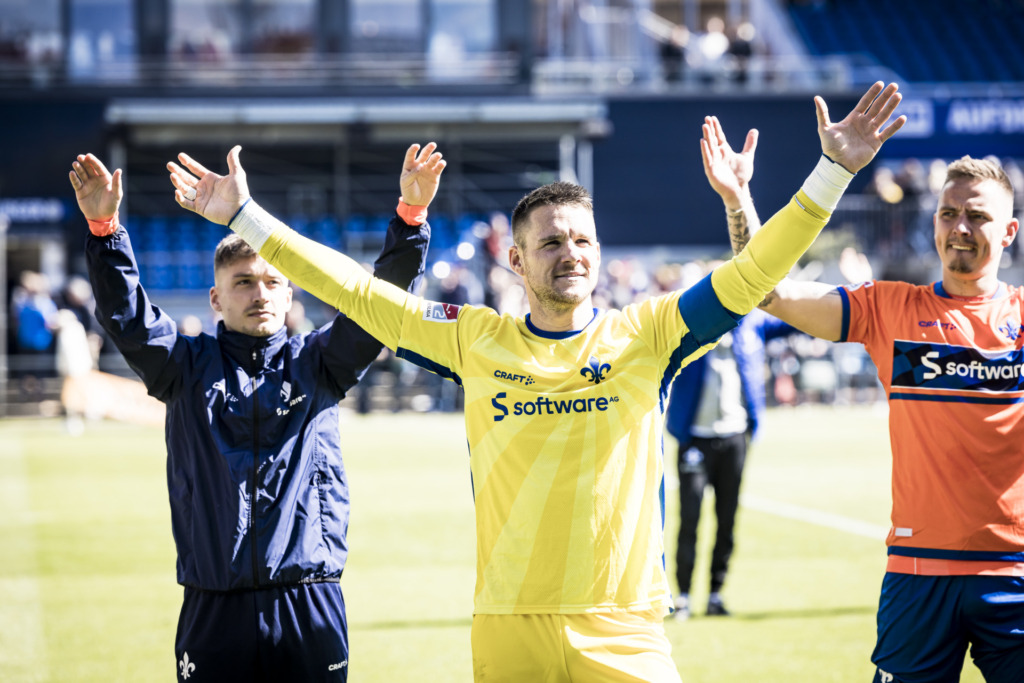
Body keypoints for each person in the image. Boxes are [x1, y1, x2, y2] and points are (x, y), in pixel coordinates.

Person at [166, 82, 904, 682]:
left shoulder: (648, 333)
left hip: (625, 626)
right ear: (515, 261)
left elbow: (754, 272)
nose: (570, 252)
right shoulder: (474, 338)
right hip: (508, 628)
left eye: (582, 238)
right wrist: (245, 217)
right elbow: (359, 293)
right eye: (549, 241)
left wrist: (831, 172)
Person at [68, 143, 442, 682]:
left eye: (272, 282)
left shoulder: (319, 362)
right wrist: (105, 231)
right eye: (243, 282)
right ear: (216, 299)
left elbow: (379, 305)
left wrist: (410, 219)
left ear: (290, 296)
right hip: (214, 604)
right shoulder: (183, 366)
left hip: (307, 598)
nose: (259, 294)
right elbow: (126, 317)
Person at [704, 114, 1024, 681]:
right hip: (918, 573)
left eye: (977, 216)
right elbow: (768, 291)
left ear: (1009, 232)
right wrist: (738, 201)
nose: (960, 227)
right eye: (949, 213)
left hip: (1015, 574)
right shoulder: (888, 308)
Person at [666, 288, 794, 619]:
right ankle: (681, 595)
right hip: (695, 438)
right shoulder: (691, 325)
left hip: (735, 437)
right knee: (689, 519)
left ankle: (715, 595)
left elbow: (794, 320)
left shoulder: (752, 324)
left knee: (727, 521)